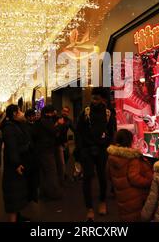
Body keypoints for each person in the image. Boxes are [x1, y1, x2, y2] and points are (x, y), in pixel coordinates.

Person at [76, 87, 116, 221]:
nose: (94, 101)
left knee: (102, 177)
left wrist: (107, 145)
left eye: (97, 98)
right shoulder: (85, 112)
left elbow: (111, 132)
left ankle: (102, 202)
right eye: (93, 98)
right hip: (87, 150)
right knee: (87, 178)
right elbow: (79, 132)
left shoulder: (109, 113)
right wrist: (81, 150)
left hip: (102, 150)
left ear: (103, 99)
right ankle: (89, 209)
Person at [107, 129, 153, 222]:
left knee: (125, 216)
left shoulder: (111, 156)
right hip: (134, 197)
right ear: (130, 141)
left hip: (121, 195)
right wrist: (150, 181)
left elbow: (108, 174)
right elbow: (135, 178)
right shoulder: (131, 158)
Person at [1, 105, 33, 222]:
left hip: (19, 163)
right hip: (14, 167)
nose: (22, 113)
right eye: (20, 111)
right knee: (13, 193)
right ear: (14, 113)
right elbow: (11, 147)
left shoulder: (17, 125)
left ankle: (18, 216)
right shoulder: (9, 128)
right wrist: (16, 164)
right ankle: (13, 219)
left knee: (18, 192)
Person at [33, 105, 63, 200]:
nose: (53, 114)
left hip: (40, 150)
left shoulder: (39, 121)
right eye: (52, 112)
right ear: (47, 113)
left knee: (44, 173)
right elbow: (54, 131)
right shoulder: (45, 121)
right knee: (51, 172)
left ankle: (44, 193)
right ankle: (53, 194)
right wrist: (59, 124)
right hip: (46, 150)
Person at [56, 106, 75, 185]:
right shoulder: (57, 119)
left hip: (64, 142)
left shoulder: (69, 121)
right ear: (61, 111)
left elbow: (74, 129)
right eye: (64, 111)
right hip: (57, 142)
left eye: (67, 111)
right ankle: (61, 177)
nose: (65, 113)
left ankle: (62, 173)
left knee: (66, 157)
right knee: (61, 161)